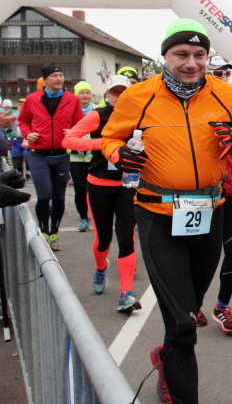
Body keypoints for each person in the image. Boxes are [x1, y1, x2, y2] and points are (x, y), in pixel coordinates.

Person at [101, 18, 232, 404]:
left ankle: (165, 357)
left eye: (199, 55)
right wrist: (120, 154)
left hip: (209, 213)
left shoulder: (225, 94)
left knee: (185, 313)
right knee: (185, 325)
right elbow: (110, 138)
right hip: (157, 216)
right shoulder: (138, 96)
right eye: (181, 54)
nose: (191, 63)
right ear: (164, 56)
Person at [63, 75, 142, 312]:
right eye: (115, 92)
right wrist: (102, 144)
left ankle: (126, 293)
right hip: (99, 184)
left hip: (128, 185)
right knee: (103, 240)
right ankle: (100, 269)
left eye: (123, 92)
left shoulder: (138, 116)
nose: (119, 96)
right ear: (107, 95)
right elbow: (69, 140)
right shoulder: (98, 115)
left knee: (127, 238)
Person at [195, 58, 232, 332]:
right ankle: (193, 304)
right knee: (203, 255)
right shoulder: (193, 101)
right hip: (199, 194)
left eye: (227, 72)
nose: (224, 77)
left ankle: (222, 305)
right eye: (218, 72)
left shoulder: (231, 100)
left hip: (228, 192)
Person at [18, 63, 84, 251]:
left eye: (61, 75)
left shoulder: (72, 100)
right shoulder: (32, 99)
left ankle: (54, 233)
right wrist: (28, 133)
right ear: (45, 79)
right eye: (55, 76)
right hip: (38, 154)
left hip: (62, 155)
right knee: (44, 195)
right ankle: (44, 231)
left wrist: (74, 132)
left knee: (59, 198)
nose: (59, 79)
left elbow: (81, 123)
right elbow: (22, 121)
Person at [70, 80, 94, 232]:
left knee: (93, 189)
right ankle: (83, 218)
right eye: (81, 93)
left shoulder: (97, 111)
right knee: (79, 188)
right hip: (75, 156)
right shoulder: (70, 111)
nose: (85, 96)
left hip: (93, 155)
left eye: (87, 93)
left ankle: (96, 215)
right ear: (76, 95)